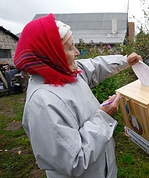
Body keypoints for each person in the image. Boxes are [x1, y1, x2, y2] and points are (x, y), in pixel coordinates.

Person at [14, 13, 142, 178]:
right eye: (70, 47)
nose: (76, 52)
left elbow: (94, 66)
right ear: (53, 53)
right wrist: (103, 117)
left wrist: (125, 60)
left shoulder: (63, 71)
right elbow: (74, 160)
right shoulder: (43, 104)